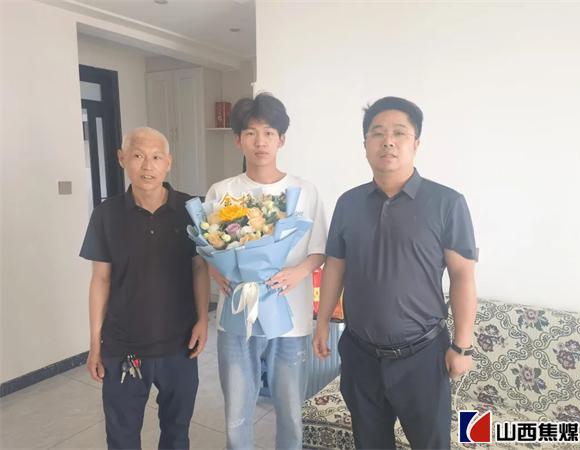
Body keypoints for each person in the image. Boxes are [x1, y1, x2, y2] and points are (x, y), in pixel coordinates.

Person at [313, 97, 478, 449]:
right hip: (360, 354)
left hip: (422, 356)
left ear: (416, 143)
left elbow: (462, 275)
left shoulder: (447, 203)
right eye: (377, 133)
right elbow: (336, 266)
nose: (388, 141)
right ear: (365, 145)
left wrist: (462, 346)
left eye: (399, 133)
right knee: (369, 443)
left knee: (431, 444)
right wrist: (322, 321)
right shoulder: (348, 203)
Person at [205, 93, 327, 450]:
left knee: (290, 412)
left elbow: (319, 250)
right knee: (236, 413)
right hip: (236, 315)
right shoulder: (222, 192)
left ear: (281, 140)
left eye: (269, 133)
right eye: (251, 133)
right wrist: (215, 270)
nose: (260, 141)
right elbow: (209, 246)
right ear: (238, 140)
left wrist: (298, 272)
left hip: (291, 318)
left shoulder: (304, 191)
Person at [80, 127, 210, 450]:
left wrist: (203, 320)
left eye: (156, 157)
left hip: (180, 345)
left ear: (169, 162)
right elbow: (100, 280)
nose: (147, 166)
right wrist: (95, 344)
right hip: (123, 346)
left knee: (177, 434)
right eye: (138, 156)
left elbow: (199, 268)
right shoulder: (106, 214)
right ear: (122, 159)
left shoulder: (191, 209)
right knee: (122, 438)